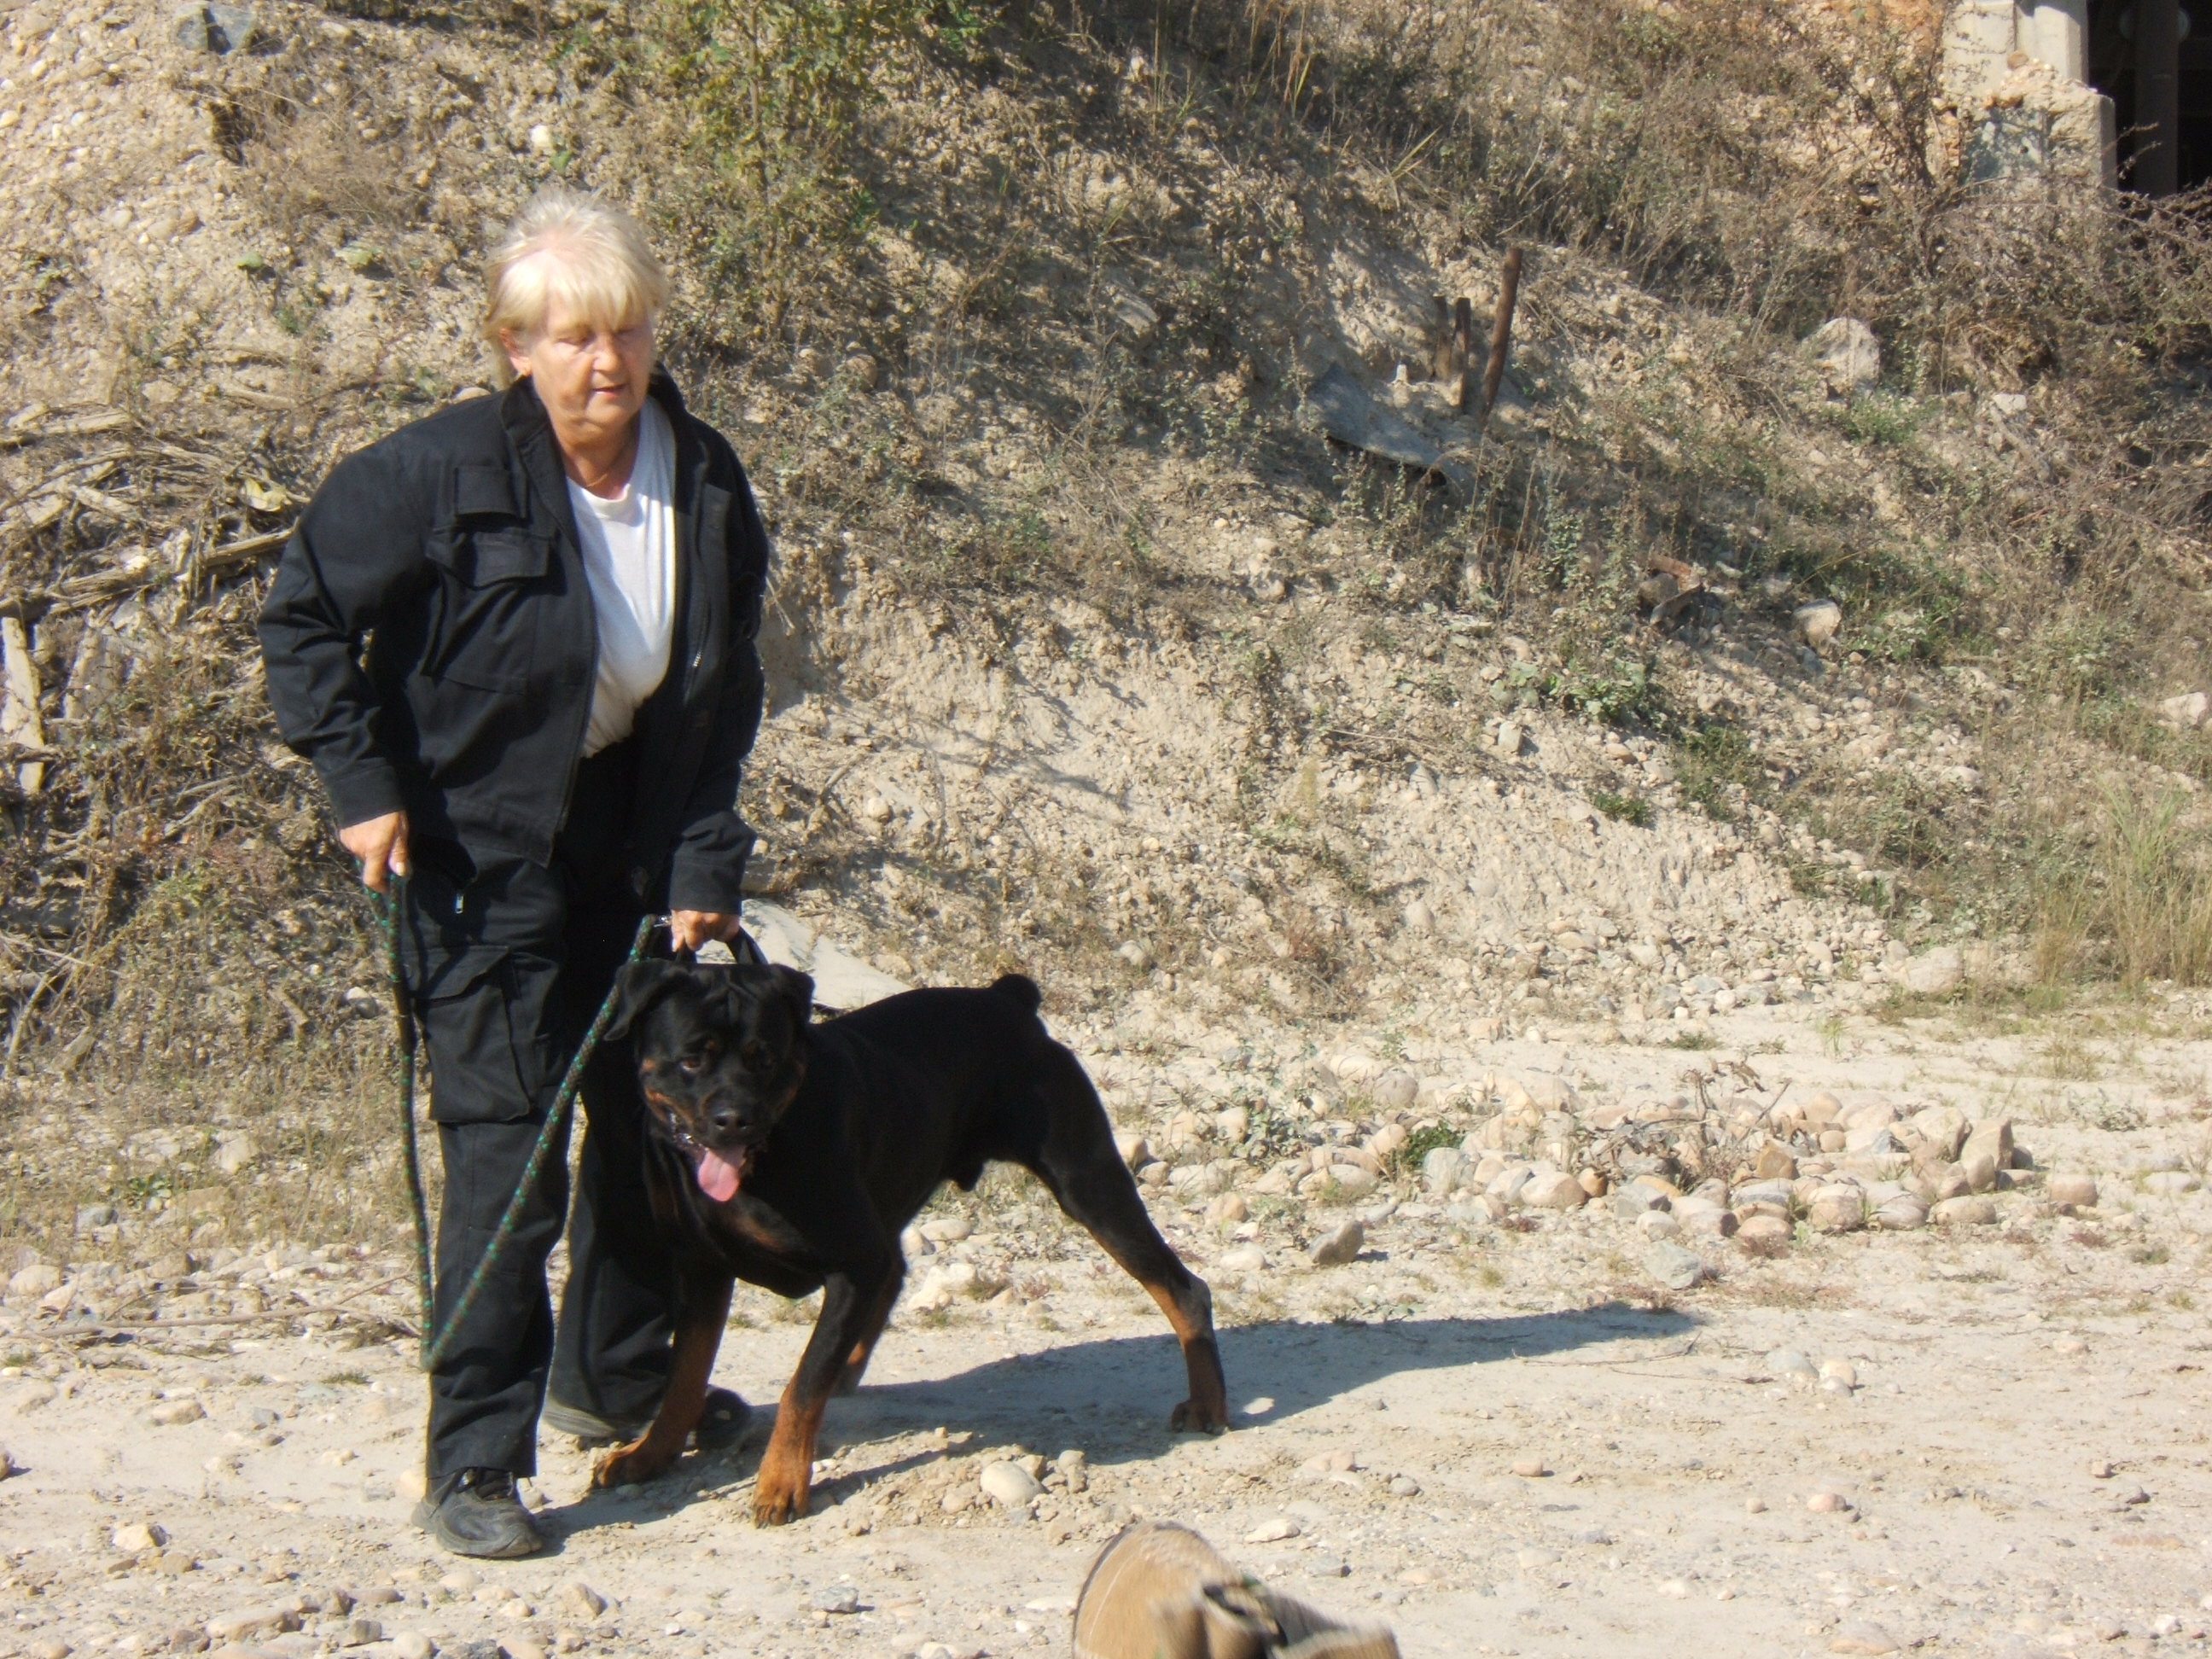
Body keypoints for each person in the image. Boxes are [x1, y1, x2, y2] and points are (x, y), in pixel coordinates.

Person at [258, 185, 771, 1558]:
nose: (608, 362)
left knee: (653, 1123)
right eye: (574, 337)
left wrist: (702, 853)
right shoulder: (434, 474)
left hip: (629, 843)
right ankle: (476, 1461)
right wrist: (362, 787)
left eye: (629, 330)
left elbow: (724, 689)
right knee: (510, 1150)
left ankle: (614, 1382)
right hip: (476, 851)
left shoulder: (703, 478)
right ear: (515, 346)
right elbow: (303, 618)